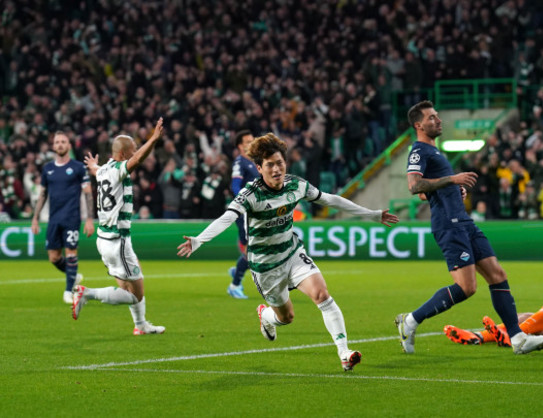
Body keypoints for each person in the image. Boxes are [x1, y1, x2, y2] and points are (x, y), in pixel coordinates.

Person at [177, 133, 399, 371]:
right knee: (287, 317)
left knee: (322, 295)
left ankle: (344, 353)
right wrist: (200, 240)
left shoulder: (296, 184)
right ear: (259, 168)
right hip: (265, 266)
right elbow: (227, 217)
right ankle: (266, 317)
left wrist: (373, 214)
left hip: (292, 254)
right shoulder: (251, 195)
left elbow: (330, 200)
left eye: (280, 163)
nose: (276, 169)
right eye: (270, 165)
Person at [395, 100, 543, 355]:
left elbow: (427, 194)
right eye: (432, 118)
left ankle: (518, 338)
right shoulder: (419, 151)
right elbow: (414, 186)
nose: (438, 120)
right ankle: (411, 320)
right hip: (449, 224)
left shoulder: (436, 152)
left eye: (437, 116)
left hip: (464, 222)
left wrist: (451, 189)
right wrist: (453, 179)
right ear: (418, 125)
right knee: (467, 288)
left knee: (497, 273)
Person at [72, 118, 165, 335]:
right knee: (136, 293)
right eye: (132, 150)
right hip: (117, 240)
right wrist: (152, 139)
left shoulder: (104, 170)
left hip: (104, 239)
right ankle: (87, 294)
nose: (135, 153)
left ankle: (140, 326)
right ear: (122, 154)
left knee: (127, 287)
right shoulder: (118, 170)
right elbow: (139, 160)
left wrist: (92, 165)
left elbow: (95, 169)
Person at [31, 131, 95, 304]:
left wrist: (89, 219)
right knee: (53, 257)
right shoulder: (48, 169)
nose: (60, 144)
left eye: (63, 141)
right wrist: (35, 217)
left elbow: (88, 193)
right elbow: (43, 194)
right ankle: (73, 275)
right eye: (57, 142)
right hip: (54, 218)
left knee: (71, 252)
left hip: (72, 217)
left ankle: (68, 291)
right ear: (53, 146)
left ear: (69, 145)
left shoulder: (78, 168)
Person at [226, 130, 257, 299]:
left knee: (255, 250)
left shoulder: (255, 162)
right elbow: (235, 185)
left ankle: (238, 270)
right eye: (247, 141)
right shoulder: (240, 162)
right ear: (240, 146)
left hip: (256, 212)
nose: (251, 143)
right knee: (251, 251)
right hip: (245, 212)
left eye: (253, 140)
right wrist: (243, 201)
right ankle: (235, 284)